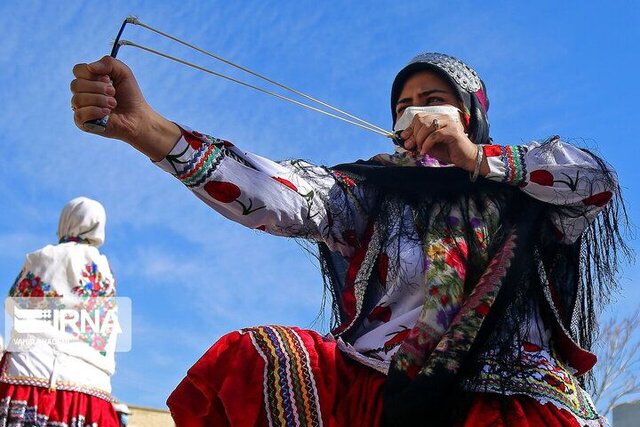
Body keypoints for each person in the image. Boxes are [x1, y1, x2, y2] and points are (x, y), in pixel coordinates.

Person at [70, 52, 624, 426]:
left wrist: (478, 159)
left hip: (508, 398)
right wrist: (151, 132)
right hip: (382, 389)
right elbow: (276, 193)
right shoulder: (373, 190)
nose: (415, 112)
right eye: (404, 106)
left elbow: (596, 181)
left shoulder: (533, 193)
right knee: (257, 357)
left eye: (434, 98)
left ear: (471, 113)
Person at [0, 197, 120, 426]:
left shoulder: (43, 257)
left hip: (28, 375)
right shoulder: (104, 269)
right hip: (89, 384)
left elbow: (14, 302)